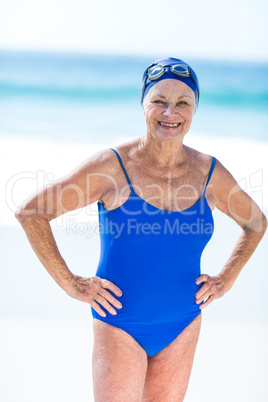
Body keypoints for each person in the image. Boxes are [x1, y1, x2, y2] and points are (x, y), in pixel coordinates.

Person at [15, 57, 267, 401]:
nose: (170, 112)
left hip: (184, 323)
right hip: (120, 323)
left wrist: (227, 277)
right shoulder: (112, 167)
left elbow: (256, 222)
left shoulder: (210, 172)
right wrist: (70, 282)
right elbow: (32, 211)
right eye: (159, 101)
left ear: (194, 110)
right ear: (143, 104)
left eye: (183, 102)